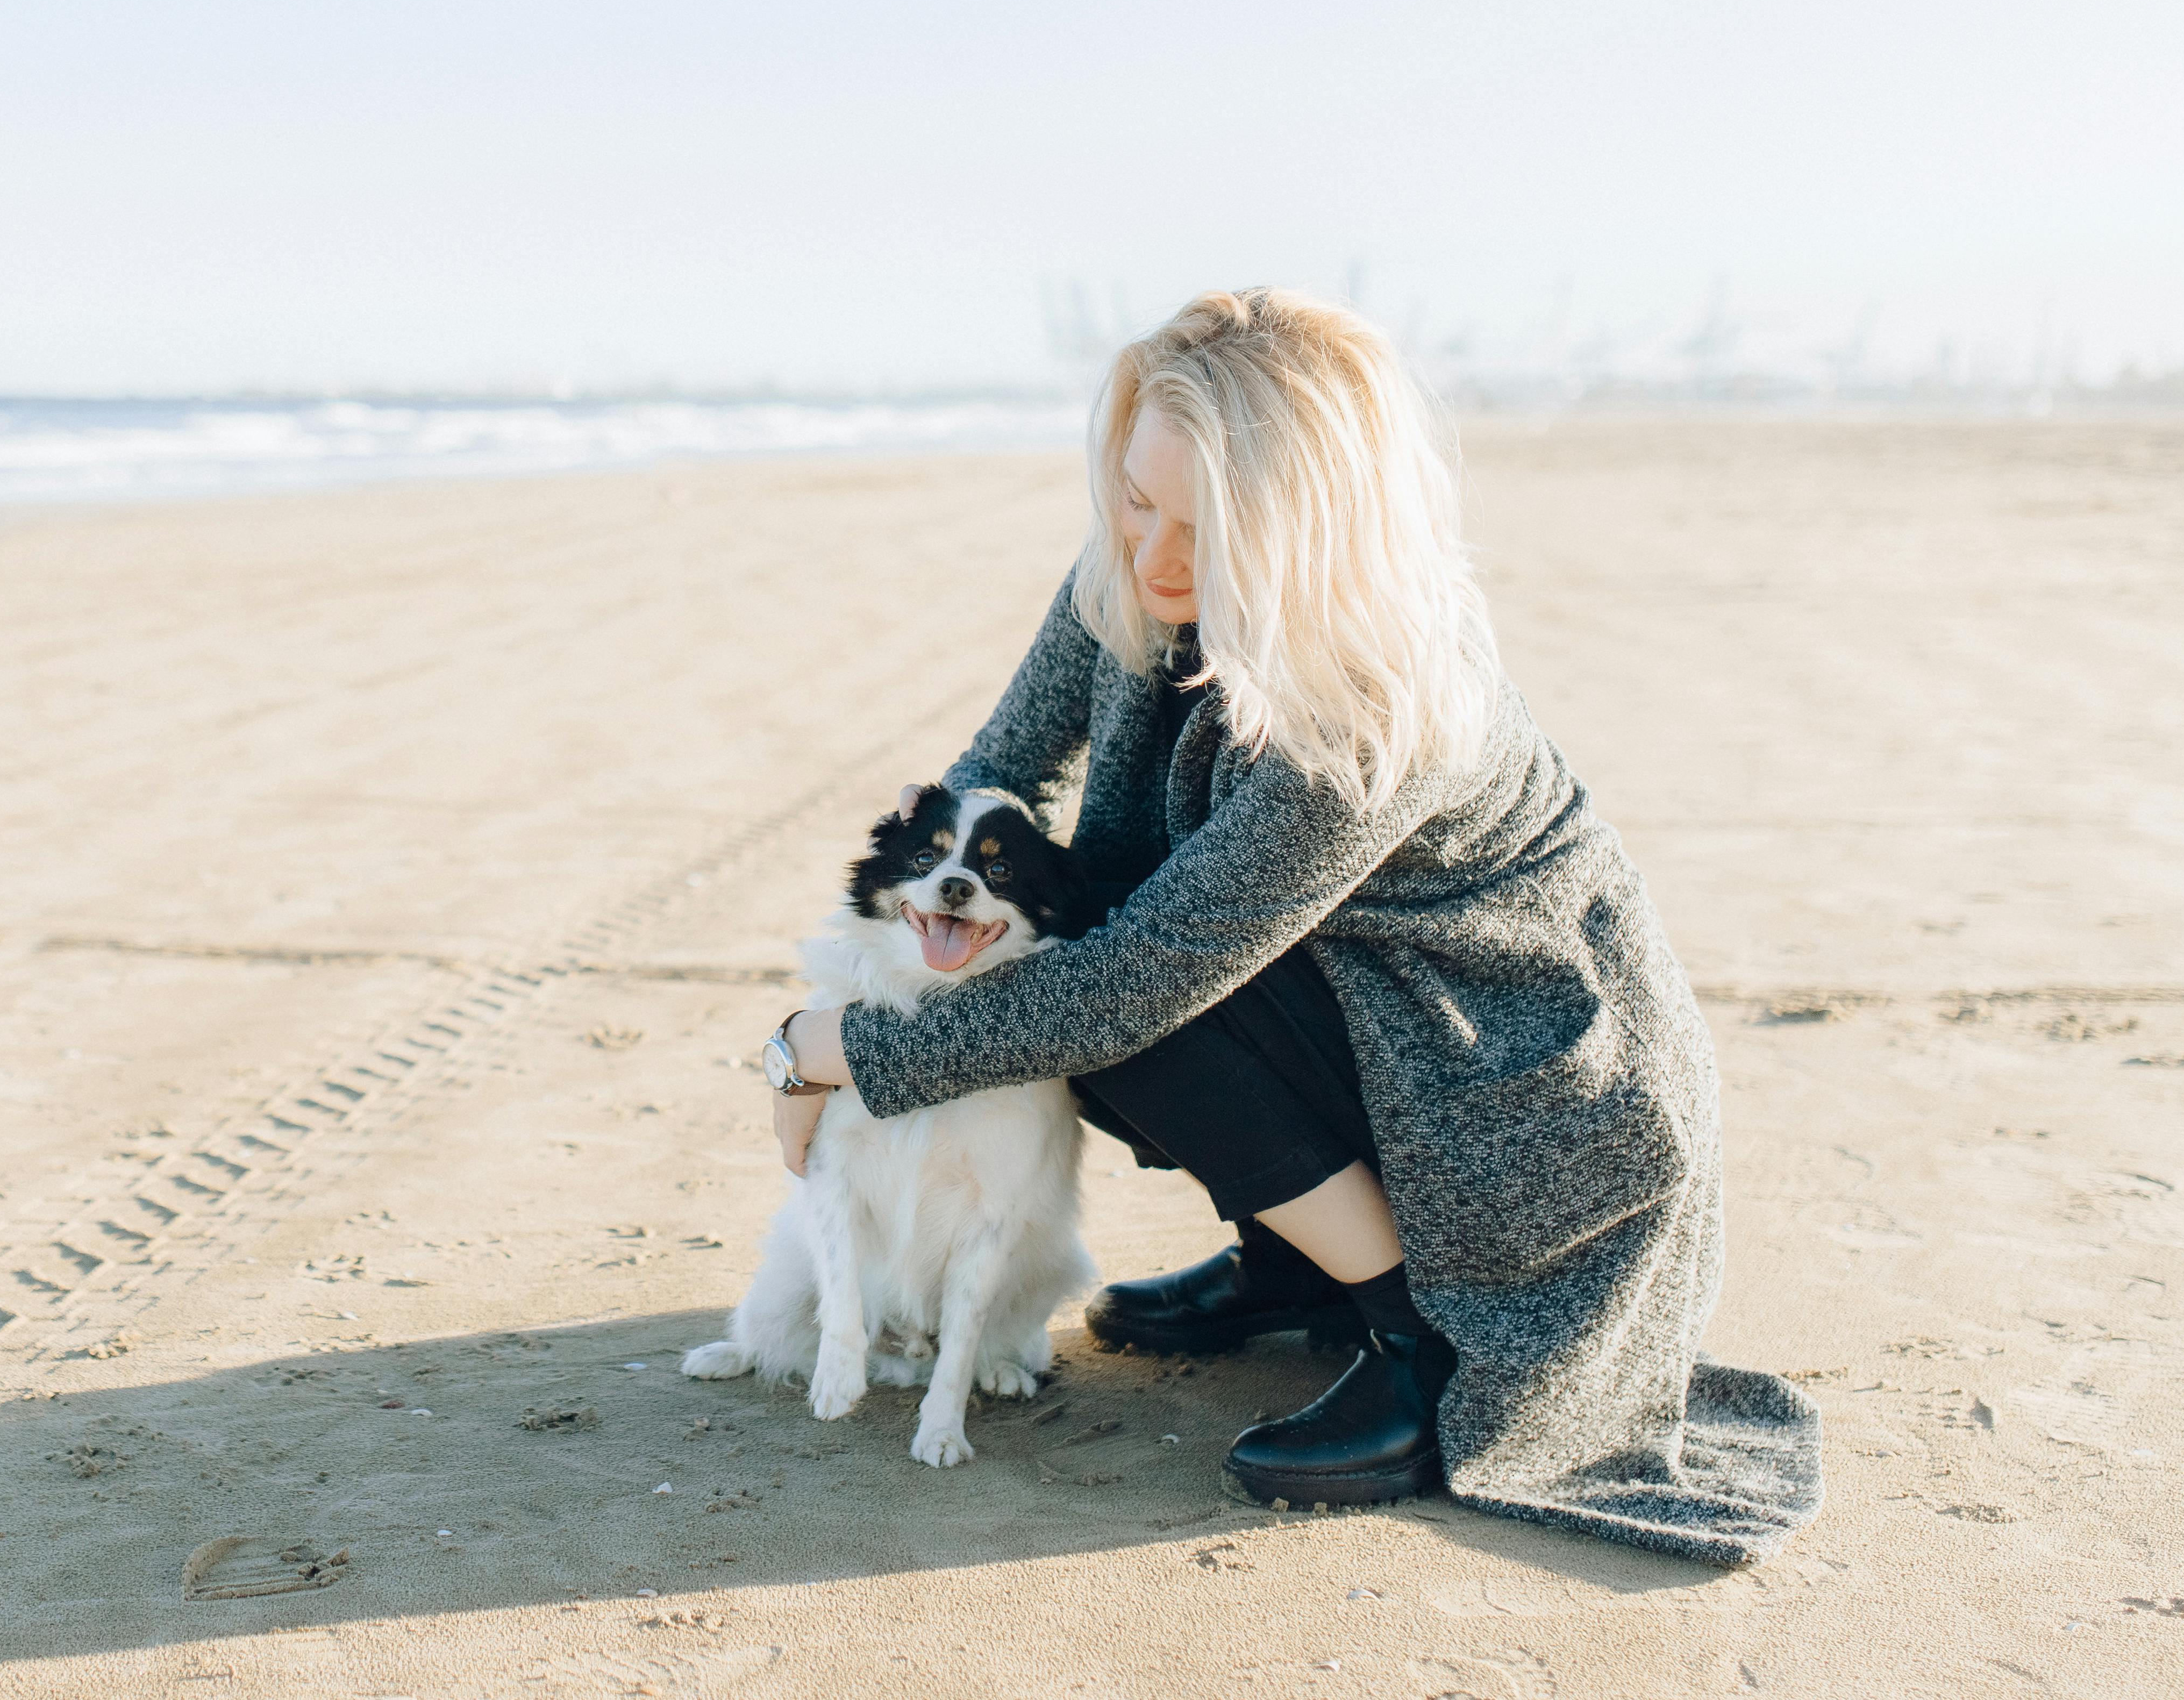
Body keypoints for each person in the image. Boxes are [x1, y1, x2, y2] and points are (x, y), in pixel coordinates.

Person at [760, 288, 1822, 1565]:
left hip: (1521, 1099)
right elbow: (993, 782)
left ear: (1309, 532)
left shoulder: (1377, 694)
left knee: (1113, 993)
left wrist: (828, 1050)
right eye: (1136, 497)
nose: (1153, 554)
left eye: (1205, 530)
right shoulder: (1133, 572)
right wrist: (886, 962)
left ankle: (1410, 1340)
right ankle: (1294, 1259)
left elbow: (1130, 988)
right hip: (1365, 1020)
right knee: (1056, 932)